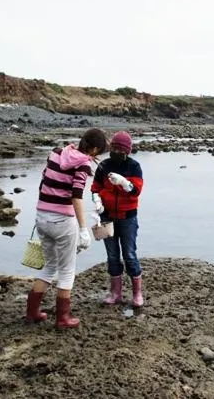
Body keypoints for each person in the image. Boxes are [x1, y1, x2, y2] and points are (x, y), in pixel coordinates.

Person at [24, 128, 108, 328]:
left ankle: (32, 313)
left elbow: (44, 180)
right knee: (67, 270)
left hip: (42, 217)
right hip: (62, 221)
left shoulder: (56, 152)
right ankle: (63, 318)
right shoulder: (83, 164)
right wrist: (83, 229)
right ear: (94, 148)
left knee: (50, 266)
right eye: (99, 151)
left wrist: (44, 208)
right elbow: (76, 196)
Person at [91, 131, 145, 307]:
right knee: (113, 255)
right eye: (113, 148)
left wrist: (123, 182)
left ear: (127, 151)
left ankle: (137, 294)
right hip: (107, 216)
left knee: (129, 254)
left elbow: (136, 191)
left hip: (128, 218)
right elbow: (95, 188)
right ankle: (116, 293)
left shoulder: (134, 167)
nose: (115, 152)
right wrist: (97, 200)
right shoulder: (103, 166)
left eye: (119, 149)